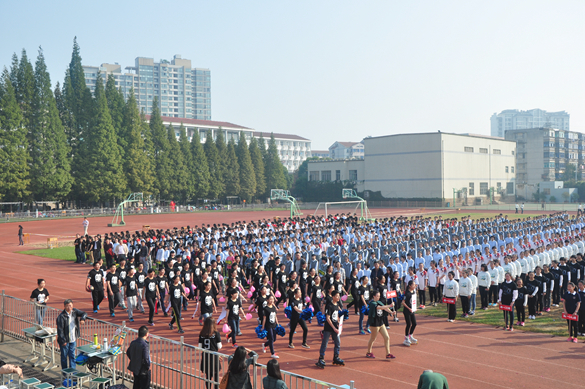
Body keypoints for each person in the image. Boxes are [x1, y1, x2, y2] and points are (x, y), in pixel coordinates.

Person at [56, 299, 86, 379]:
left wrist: (82, 319)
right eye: (67, 306)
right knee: (64, 357)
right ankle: (65, 373)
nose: (69, 307)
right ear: (64, 306)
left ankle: (73, 372)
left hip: (73, 339)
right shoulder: (61, 317)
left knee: (72, 356)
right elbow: (60, 330)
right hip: (65, 340)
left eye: (71, 305)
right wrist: (63, 340)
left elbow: (84, 313)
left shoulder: (75, 312)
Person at [316, 290, 344, 369]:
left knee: (338, 342)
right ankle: (321, 358)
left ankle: (336, 357)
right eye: (337, 296)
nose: (338, 297)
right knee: (325, 343)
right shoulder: (329, 306)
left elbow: (337, 316)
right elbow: (328, 318)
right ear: (333, 297)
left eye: (339, 296)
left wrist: (339, 325)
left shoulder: (337, 304)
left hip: (335, 327)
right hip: (329, 328)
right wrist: (334, 328)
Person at [365, 290, 395, 358]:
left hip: (381, 323)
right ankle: (369, 352)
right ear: (374, 296)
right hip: (374, 324)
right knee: (373, 338)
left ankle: (388, 353)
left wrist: (391, 312)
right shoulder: (372, 303)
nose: (379, 297)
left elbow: (384, 307)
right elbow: (380, 307)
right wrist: (390, 305)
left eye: (379, 296)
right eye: (377, 296)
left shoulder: (379, 302)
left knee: (387, 337)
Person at [199, 317, 222, 389]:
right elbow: (219, 346)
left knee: (208, 376)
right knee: (216, 376)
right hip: (214, 357)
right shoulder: (216, 333)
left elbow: (199, 347)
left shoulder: (202, 333)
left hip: (205, 356)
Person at [403, 279, 418, 347]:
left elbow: (414, 301)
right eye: (413, 285)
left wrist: (415, 308)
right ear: (409, 286)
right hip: (407, 311)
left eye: (415, 285)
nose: (414, 286)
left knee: (414, 323)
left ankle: (410, 335)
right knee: (408, 324)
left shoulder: (414, 292)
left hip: (412, 310)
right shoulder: (407, 293)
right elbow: (403, 302)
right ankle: (406, 338)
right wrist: (409, 308)